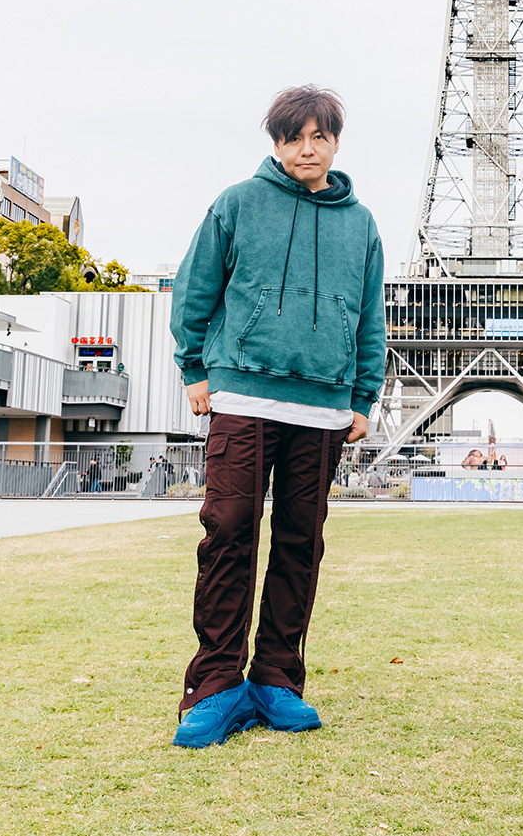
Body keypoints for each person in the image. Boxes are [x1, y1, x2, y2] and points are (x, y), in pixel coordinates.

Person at [168, 85, 385, 749]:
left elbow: (369, 316)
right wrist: (194, 368)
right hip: (241, 397)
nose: (307, 148)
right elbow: (195, 287)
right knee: (228, 529)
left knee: (300, 542)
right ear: (276, 143)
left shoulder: (362, 224)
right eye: (294, 137)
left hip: (323, 406)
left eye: (320, 136)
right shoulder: (237, 203)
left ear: (337, 143)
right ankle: (215, 685)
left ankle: (276, 680)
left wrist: (363, 396)